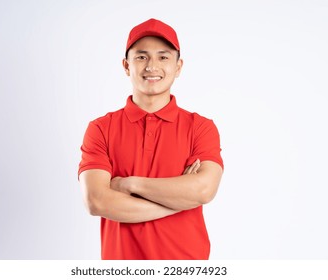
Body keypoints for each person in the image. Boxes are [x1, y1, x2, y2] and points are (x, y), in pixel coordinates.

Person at [78, 18, 223, 260]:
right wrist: (177, 200)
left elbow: (204, 189)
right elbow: (96, 200)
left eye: (163, 57)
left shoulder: (200, 127)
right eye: (141, 57)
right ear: (126, 66)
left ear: (178, 67)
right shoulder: (101, 128)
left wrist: (128, 184)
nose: (152, 66)